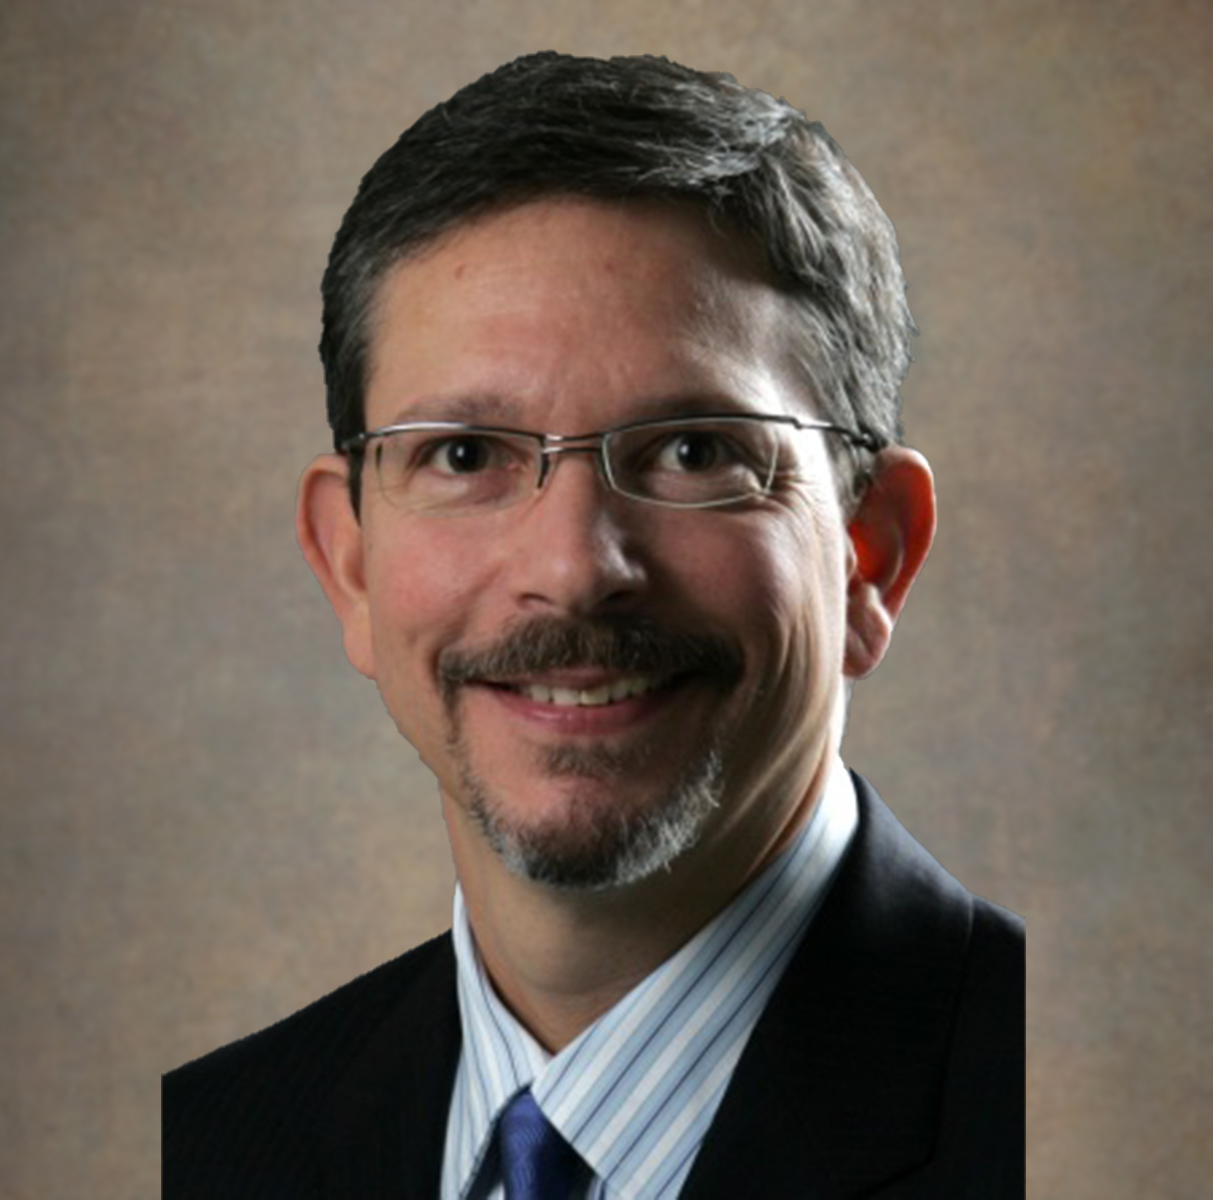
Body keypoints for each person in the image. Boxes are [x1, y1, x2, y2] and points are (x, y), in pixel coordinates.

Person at [163, 51, 1023, 1199]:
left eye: (692, 452)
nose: (572, 571)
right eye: (463, 454)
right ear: (351, 565)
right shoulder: (203, 1150)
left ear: (871, 554)